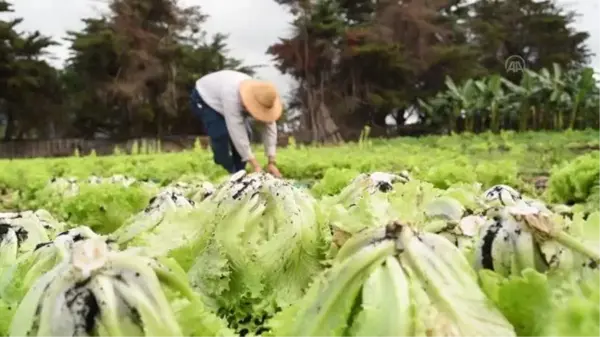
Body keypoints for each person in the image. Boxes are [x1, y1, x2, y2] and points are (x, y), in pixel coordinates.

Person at [190, 70, 283, 177]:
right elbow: (236, 131)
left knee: (247, 134)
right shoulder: (232, 95)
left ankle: (240, 172)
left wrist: (271, 162)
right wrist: (255, 165)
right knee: (221, 135)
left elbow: (270, 128)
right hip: (204, 97)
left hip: (223, 96)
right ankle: (227, 171)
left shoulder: (264, 96)